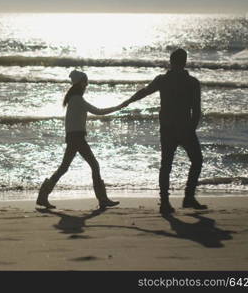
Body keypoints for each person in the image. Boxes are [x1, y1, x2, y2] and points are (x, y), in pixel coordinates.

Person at [120, 48, 207, 215]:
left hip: (167, 128)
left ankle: (165, 202)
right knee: (196, 161)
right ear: (185, 62)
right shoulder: (192, 83)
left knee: (166, 165)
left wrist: (129, 101)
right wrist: (191, 129)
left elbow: (144, 92)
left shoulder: (163, 80)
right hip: (184, 128)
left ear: (171, 61)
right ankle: (188, 197)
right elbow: (196, 111)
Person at [37, 70, 124, 210]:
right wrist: (118, 107)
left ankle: (43, 196)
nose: (87, 85)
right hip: (77, 137)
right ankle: (102, 199)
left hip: (73, 137)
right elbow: (98, 111)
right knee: (94, 165)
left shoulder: (74, 99)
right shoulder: (77, 99)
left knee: (64, 168)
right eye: (85, 82)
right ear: (80, 83)